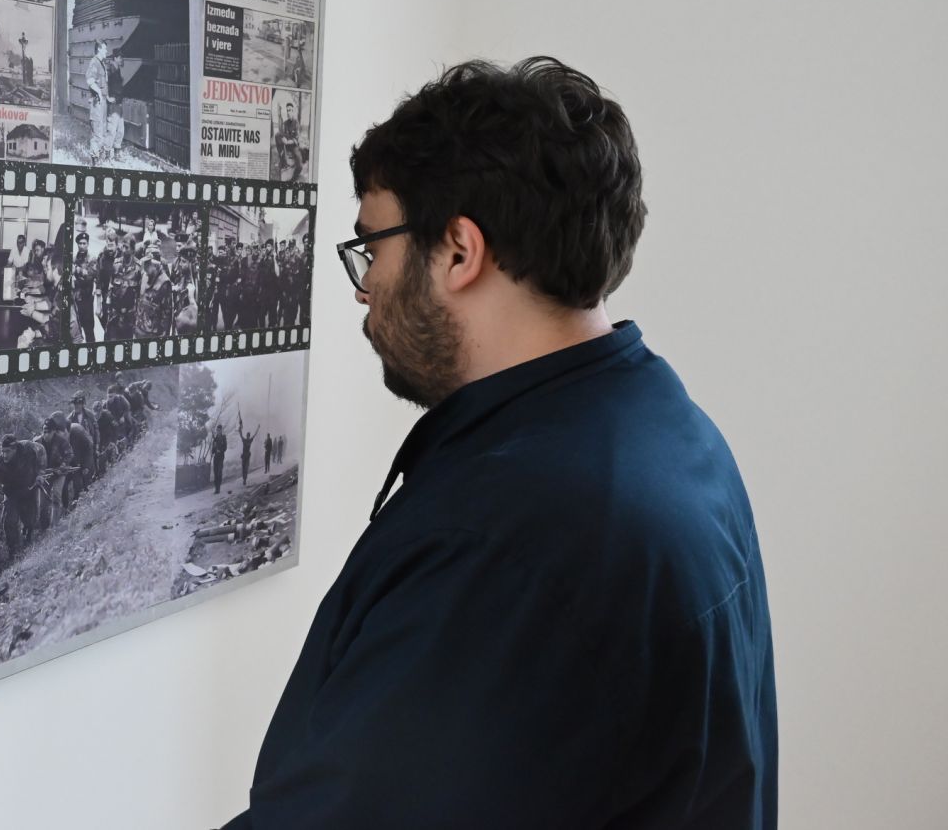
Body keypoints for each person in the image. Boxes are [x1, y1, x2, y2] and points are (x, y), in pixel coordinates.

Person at [220, 58, 775, 829]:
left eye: (373, 247)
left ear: (458, 250)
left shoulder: (506, 536)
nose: (363, 285)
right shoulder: (666, 428)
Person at [0, 433, 46, 555]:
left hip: (29, 490)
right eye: (3, 451)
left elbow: (41, 452)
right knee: (9, 522)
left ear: (15, 449)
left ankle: (28, 538)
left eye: (7, 451)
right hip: (11, 494)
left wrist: (40, 474)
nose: (4, 455)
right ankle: (14, 552)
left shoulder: (29, 448)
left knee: (30, 521)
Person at [72, 230, 97, 341]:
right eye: (80, 243)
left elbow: (90, 277)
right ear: (77, 244)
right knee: (76, 330)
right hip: (76, 299)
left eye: (84, 243)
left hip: (87, 300)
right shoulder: (73, 259)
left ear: (88, 244)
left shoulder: (92, 259)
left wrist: (77, 270)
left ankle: (92, 349)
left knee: (89, 330)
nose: (82, 246)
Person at [209, 421, 227, 495]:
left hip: (221, 457)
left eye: (219, 430)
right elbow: (213, 448)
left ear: (221, 430)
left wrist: (220, 450)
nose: (218, 431)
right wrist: (212, 452)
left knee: (219, 472)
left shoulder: (223, 437)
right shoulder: (215, 439)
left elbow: (225, 447)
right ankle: (216, 488)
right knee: (215, 473)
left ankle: (218, 488)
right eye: (217, 430)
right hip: (216, 458)